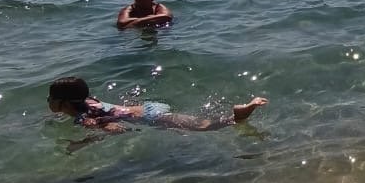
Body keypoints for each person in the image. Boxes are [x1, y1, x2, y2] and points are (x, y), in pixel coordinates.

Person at [47, 76, 267, 146]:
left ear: (65, 104)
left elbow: (115, 129)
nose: (48, 101)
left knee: (206, 127)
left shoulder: (84, 118)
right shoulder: (91, 101)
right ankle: (237, 116)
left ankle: (239, 115)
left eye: (51, 98)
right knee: (197, 123)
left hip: (152, 118)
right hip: (148, 108)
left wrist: (82, 142)